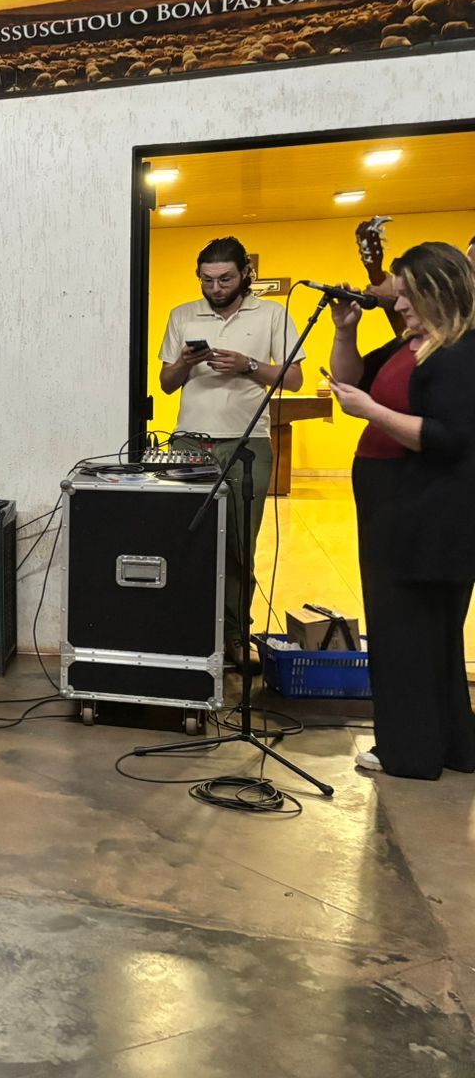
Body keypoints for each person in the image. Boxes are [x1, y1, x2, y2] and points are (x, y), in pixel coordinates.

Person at [329, 241, 475, 780]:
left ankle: (409, 752)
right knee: (419, 635)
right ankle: (449, 744)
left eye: (408, 294)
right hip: (395, 504)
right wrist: (345, 332)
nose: (400, 303)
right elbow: (348, 380)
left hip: (424, 510)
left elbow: (448, 437)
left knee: (406, 635)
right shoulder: (412, 344)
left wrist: (372, 412)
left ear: (440, 291)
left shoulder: (458, 353)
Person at [158, 237, 303, 657]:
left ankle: (236, 634)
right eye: (207, 280)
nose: (216, 288)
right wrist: (185, 362)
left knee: (239, 545)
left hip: (247, 442)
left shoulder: (273, 314)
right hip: (190, 440)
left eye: (225, 279)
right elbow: (166, 384)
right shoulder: (182, 315)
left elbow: (293, 380)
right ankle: (188, 629)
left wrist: (247, 365)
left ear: (245, 275)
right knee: (187, 539)